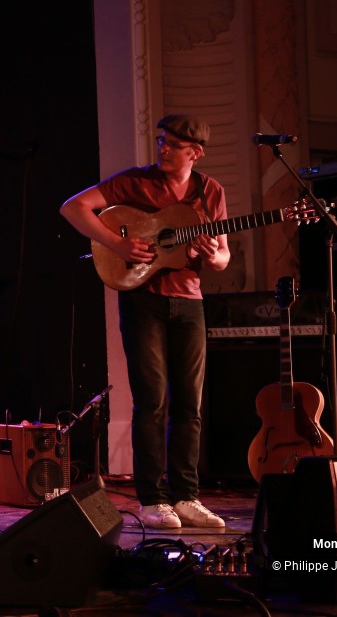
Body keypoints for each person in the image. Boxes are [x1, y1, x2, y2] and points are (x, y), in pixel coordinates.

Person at [60, 114, 229, 529]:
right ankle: (153, 500)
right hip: (144, 302)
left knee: (190, 405)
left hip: (190, 303)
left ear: (196, 152)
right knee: (151, 402)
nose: (163, 149)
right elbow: (73, 207)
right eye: (162, 141)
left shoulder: (210, 192)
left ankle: (187, 496)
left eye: (173, 145)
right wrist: (118, 242)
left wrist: (211, 255)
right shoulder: (135, 181)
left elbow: (223, 257)